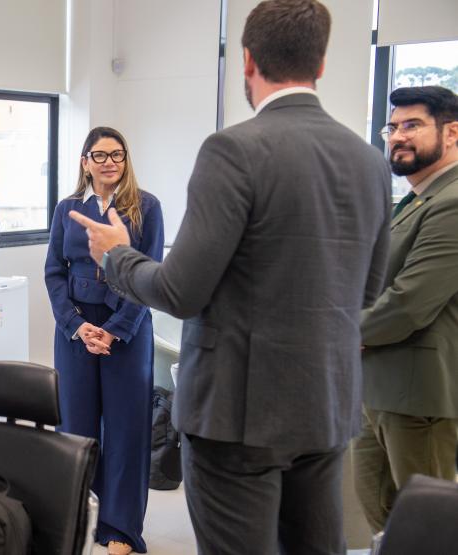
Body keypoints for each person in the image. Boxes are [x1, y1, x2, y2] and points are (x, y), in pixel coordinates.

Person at [69, 1, 391, 553]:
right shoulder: (368, 161)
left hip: (235, 418)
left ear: (246, 61)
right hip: (325, 407)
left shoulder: (233, 150)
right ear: (322, 61)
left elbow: (179, 291)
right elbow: (367, 291)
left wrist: (115, 255)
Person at [45, 126, 164, 555]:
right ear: (85, 162)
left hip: (126, 328)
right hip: (76, 330)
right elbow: (54, 271)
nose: (110, 161)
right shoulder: (66, 209)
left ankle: (120, 530)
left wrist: (115, 330)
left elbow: (150, 274)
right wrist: (76, 324)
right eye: (100, 155)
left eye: (117, 154)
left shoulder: (146, 208)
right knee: (74, 427)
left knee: (126, 429)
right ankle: (78, 517)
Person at [354, 85, 458, 533]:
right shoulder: (414, 201)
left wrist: (342, 333)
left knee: (425, 524)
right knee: (382, 512)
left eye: (412, 125)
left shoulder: (452, 202)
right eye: (392, 127)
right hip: (380, 386)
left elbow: (409, 301)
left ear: (452, 133)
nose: (397, 136)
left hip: (421, 395)